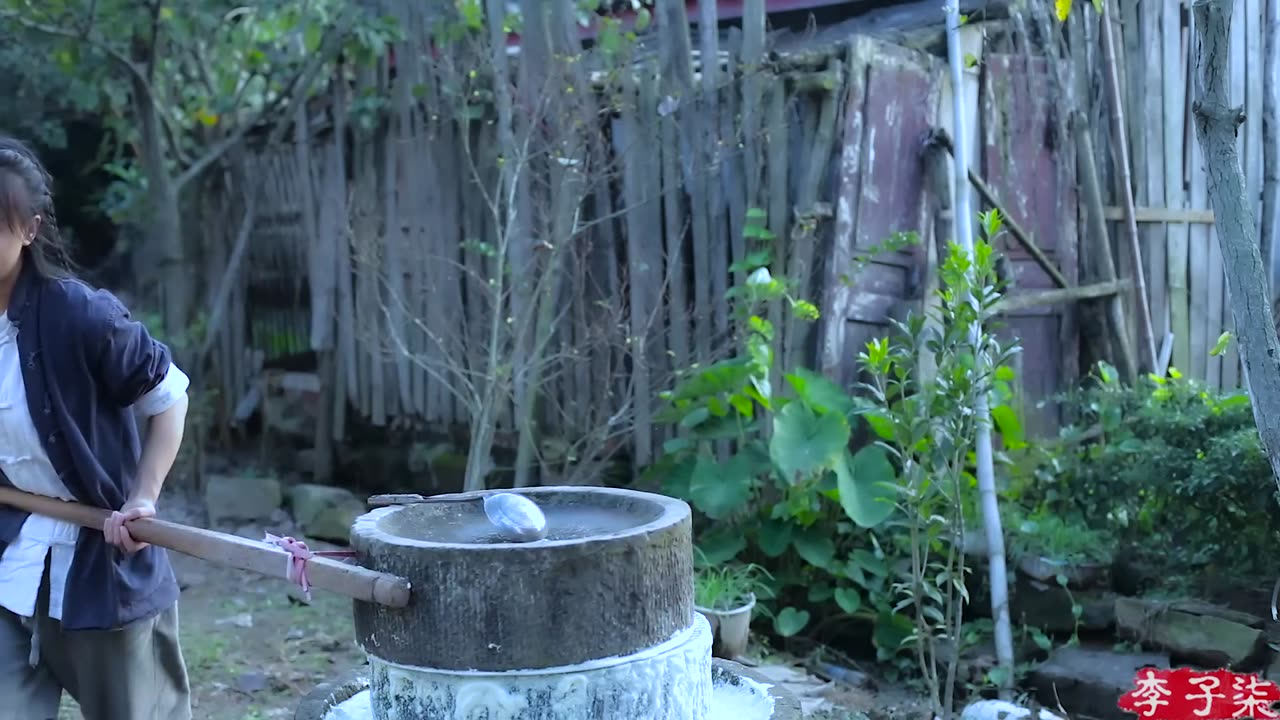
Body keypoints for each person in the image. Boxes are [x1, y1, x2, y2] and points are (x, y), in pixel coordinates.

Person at [0, 136, 192, 720]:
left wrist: (143, 497)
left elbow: (170, 397)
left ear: (29, 230)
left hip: (102, 573)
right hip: (13, 571)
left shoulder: (80, 315)